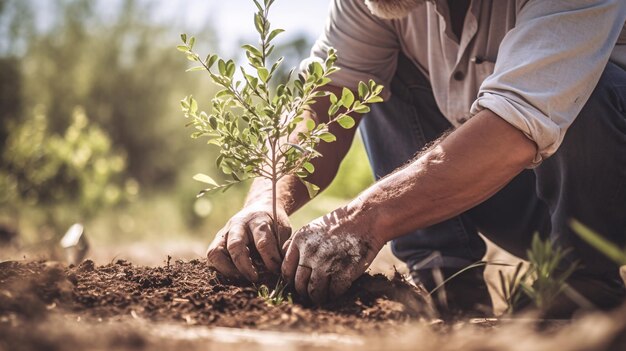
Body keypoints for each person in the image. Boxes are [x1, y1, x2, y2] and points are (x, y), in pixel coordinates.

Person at [205, 0, 626, 317]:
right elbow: (330, 100)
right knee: (370, 85)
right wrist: (268, 198)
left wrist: (365, 218)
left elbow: (515, 128)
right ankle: (449, 286)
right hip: (511, 196)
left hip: (608, 202)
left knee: (585, 86)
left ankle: (582, 287)